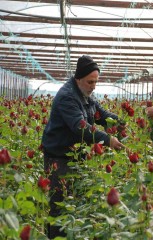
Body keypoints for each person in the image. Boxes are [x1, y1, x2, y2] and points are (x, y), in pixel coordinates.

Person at [41, 55, 124, 239]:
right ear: (78, 79)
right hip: (59, 157)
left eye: (95, 82)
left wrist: (119, 121)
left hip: (75, 156)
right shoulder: (67, 96)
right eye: (90, 82)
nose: (93, 86)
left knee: (73, 201)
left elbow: (100, 113)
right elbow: (80, 127)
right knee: (59, 206)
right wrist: (108, 140)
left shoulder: (84, 94)